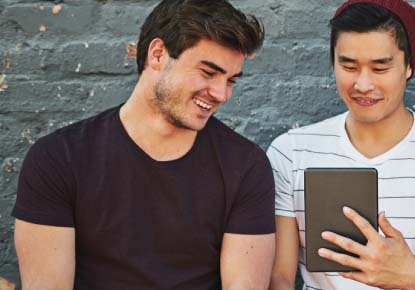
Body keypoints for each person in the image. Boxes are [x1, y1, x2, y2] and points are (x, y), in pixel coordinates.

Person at [11, 0, 272, 288]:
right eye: (208, 73)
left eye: (231, 80)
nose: (222, 94)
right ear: (158, 54)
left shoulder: (245, 166)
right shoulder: (58, 159)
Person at [266, 1, 415, 289]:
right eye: (349, 66)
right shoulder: (291, 152)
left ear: (409, 66)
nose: (363, 84)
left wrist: (414, 277)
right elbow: (278, 278)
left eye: (380, 67)